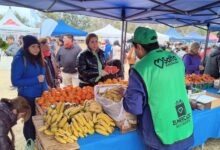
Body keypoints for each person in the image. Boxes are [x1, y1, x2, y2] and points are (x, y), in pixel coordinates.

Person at [123, 27, 194, 150]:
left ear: (138, 47)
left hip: (161, 133)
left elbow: (134, 107)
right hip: (183, 123)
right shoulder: (176, 58)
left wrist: (125, 95)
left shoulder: (141, 68)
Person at [11, 35, 48, 141]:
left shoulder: (38, 57)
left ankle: (38, 143)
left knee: (41, 121)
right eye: (33, 46)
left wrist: (46, 91)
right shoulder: (19, 59)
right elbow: (15, 81)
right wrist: (35, 79)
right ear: (27, 47)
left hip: (41, 97)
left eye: (37, 46)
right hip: (27, 98)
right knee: (29, 123)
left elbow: (43, 77)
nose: (36, 49)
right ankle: (30, 143)